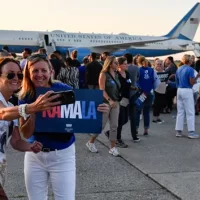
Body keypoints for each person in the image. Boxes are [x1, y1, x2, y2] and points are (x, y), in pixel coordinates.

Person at [18, 53, 109, 200]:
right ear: (28, 73)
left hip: (62, 154)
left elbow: (83, 111)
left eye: (43, 70)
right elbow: (26, 134)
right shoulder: (25, 96)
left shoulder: (63, 89)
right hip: (34, 155)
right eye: (35, 70)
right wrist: (34, 110)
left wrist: (99, 109)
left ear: (50, 71)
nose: (39, 74)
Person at [0, 57, 61, 200]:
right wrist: (32, 107)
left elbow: (16, 141)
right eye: (10, 74)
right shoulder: (10, 110)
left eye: (19, 75)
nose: (16, 78)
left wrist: (30, 146)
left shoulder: (11, 107)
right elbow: (2, 114)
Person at [86, 56, 121, 156]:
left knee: (114, 126)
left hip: (116, 102)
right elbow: (102, 89)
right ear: (110, 64)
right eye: (115, 63)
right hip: (106, 102)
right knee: (101, 125)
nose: (117, 64)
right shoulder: (103, 74)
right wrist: (109, 100)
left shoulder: (116, 74)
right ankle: (91, 142)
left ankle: (113, 147)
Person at [175, 54, 200, 139]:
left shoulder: (179, 69)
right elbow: (191, 82)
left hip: (179, 90)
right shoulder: (190, 69)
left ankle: (179, 131)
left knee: (180, 111)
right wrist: (197, 77)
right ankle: (191, 132)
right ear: (189, 60)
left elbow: (176, 81)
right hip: (187, 90)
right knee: (190, 111)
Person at [135, 56, 160, 136]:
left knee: (138, 111)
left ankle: (136, 128)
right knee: (146, 112)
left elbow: (136, 81)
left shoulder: (138, 70)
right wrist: (152, 89)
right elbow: (156, 81)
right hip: (149, 93)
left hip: (141, 93)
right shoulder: (151, 70)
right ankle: (146, 129)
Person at [124, 53, 140, 142]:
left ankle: (115, 134)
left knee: (123, 116)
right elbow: (138, 78)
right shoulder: (136, 68)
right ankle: (134, 135)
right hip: (133, 93)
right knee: (133, 116)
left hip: (125, 94)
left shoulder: (123, 69)